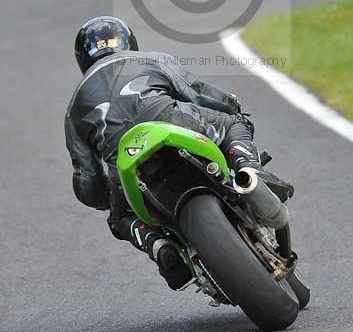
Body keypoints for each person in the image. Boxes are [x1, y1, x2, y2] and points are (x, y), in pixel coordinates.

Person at [65, 16, 262, 290]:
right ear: (128, 42)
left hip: (125, 157)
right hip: (168, 119)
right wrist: (232, 108)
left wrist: (105, 200)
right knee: (232, 125)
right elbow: (197, 93)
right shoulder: (150, 59)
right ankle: (247, 172)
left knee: (121, 217)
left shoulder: (75, 106)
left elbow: (86, 179)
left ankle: (158, 246)